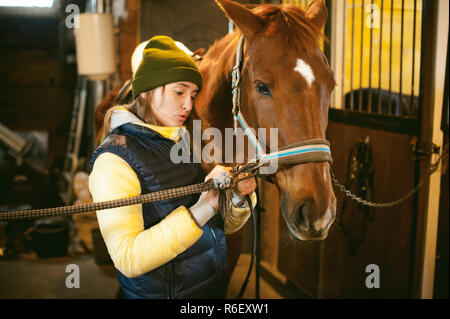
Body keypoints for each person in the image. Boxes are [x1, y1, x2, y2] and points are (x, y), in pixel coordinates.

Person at [88, 35, 257, 299]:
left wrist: (236, 200)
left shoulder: (190, 140)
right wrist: (204, 207)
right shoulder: (114, 159)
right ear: (148, 90)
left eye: (193, 94)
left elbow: (223, 228)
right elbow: (128, 258)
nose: (189, 105)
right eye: (179, 92)